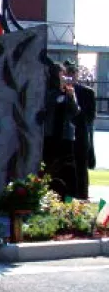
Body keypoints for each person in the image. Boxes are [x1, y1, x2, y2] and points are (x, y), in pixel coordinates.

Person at [42, 62, 80, 198]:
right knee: (49, 169)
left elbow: (75, 111)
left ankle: (69, 199)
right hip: (51, 135)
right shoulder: (48, 93)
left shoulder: (70, 92)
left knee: (68, 171)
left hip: (65, 137)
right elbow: (45, 109)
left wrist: (70, 95)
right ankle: (47, 197)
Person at [65, 62, 96, 199]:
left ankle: (82, 197)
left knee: (81, 171)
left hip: (80, 136)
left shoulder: (87, 92)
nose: (70, 76)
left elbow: (89, 118)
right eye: (68, 73)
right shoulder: (59, 91)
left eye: (73, 73)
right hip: (63, 138)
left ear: (76, 75)